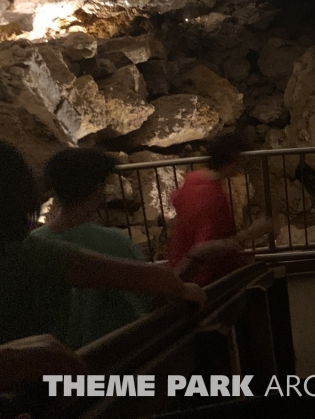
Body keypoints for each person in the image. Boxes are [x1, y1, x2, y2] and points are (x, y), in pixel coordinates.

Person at [0, 142, 205, 391]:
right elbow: (150, 281)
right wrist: (185, 289)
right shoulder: (31, 253)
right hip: (65, 379)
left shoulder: (41, 241)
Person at [32, 149, 153, 349]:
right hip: (113, 352)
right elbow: (147, 297)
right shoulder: (115, 243)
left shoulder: (34, 242)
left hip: (52, 358)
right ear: (98, 189)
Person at [167, 133, 271, 286]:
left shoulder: (193, 179)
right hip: (206, 280)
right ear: (233, 159)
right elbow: (204, 248)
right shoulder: (213, 196)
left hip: (181, 266)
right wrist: (251, 233)